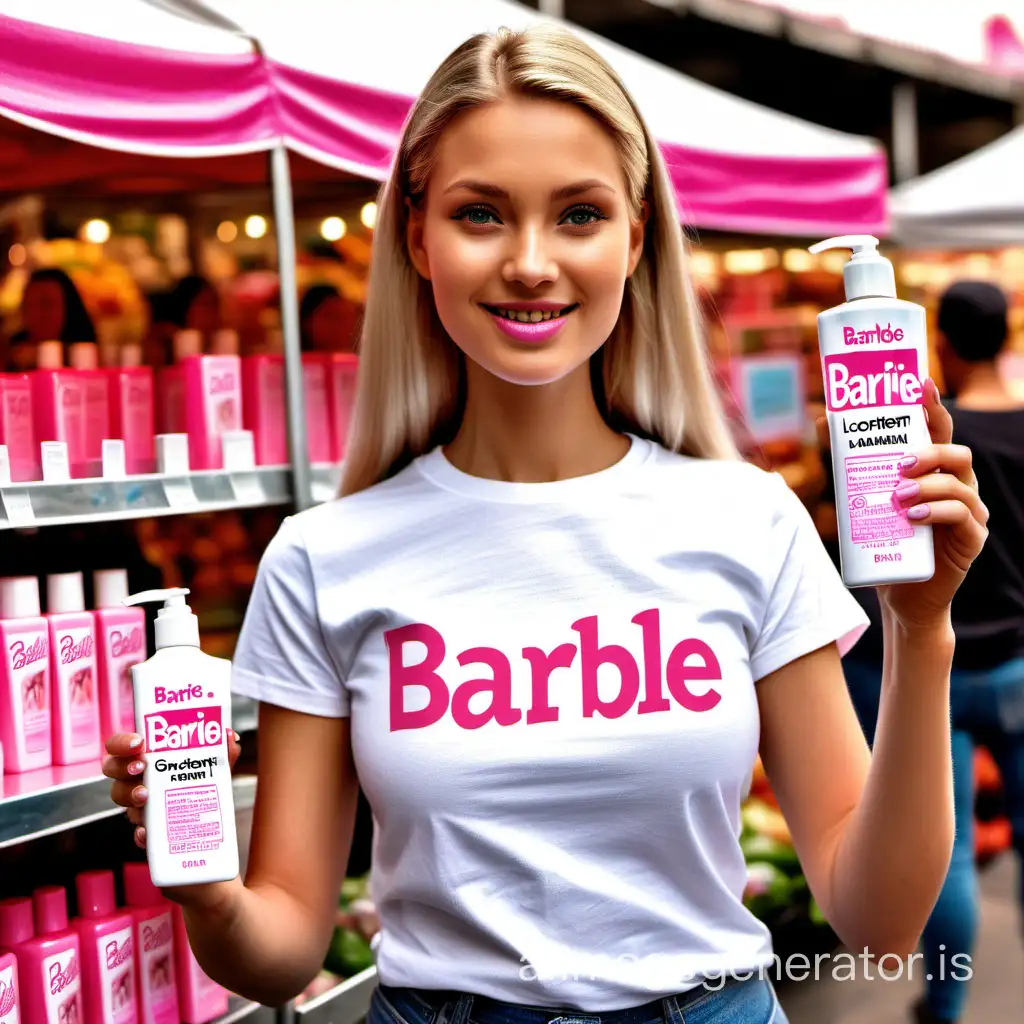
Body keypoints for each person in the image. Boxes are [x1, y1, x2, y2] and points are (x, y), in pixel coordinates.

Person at [103, 25, 987, 1023]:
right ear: (416, 238)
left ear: (635, 237)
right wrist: (201, 871)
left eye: (577, 214)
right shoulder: (321, 559)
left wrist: (921, 632)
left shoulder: (746, 516)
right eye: (480, 213)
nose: (530, 262)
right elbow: (279, 952)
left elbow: (877, 923)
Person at [843, 280, 1024, 1024]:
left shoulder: (930, 437)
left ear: (940, 342)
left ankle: (944, 1009)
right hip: (1018, 661)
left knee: (946, 857)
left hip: (936, 665)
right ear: (1008, 335)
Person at [5, 266, 97, 370]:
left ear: (70, 308)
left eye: (46, 304)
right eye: (27, 306)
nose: (34, 314)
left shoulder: (93, 359)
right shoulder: (9, 355)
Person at [300, 283, 359, 353]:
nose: (344, 328)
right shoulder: (293, 360)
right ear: (307, 322)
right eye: (334, 317)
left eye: (348, 319)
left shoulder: (360, 360)